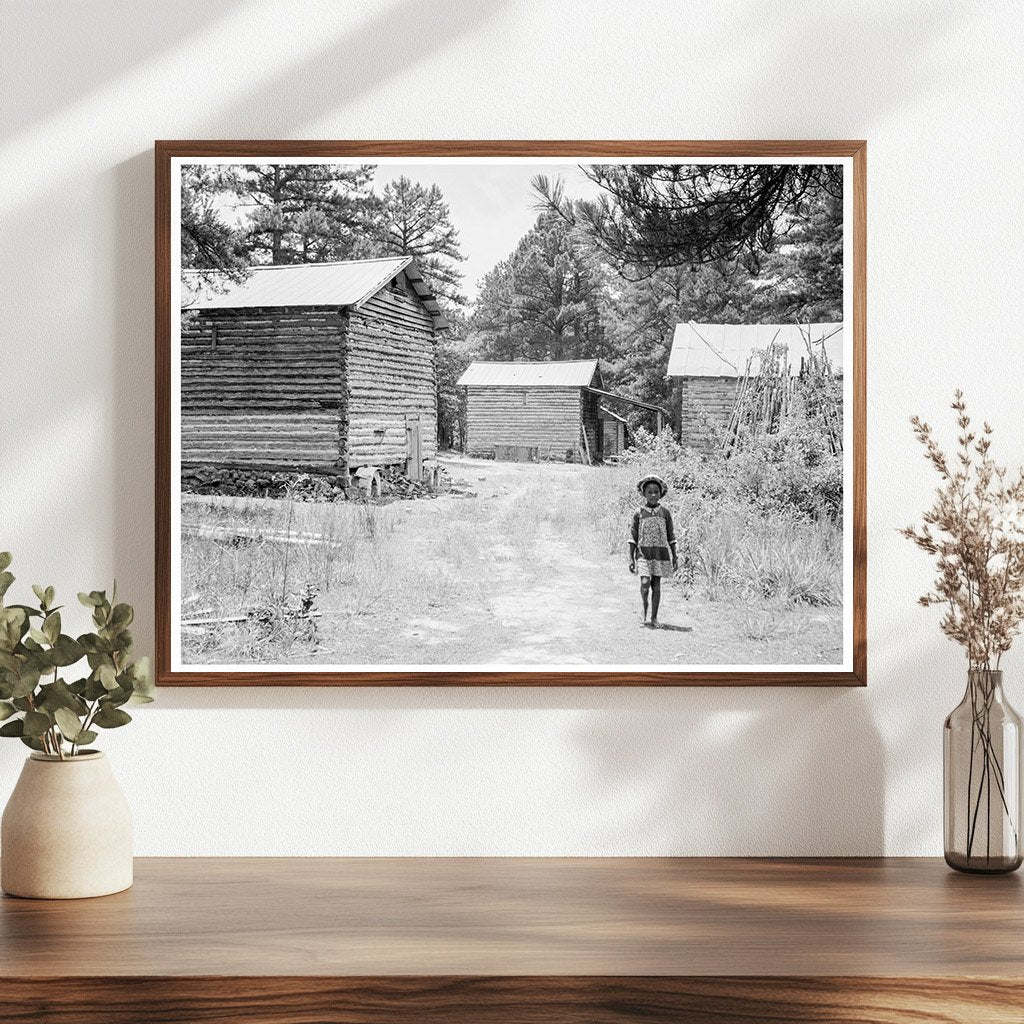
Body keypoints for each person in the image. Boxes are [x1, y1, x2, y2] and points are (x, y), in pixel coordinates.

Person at [628, 474, 678, 628]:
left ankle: (654, 617)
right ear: (643, 494)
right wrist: (631, 558)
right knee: (645, 583)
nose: (653, 495)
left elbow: (671, 535)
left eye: (656, 492)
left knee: (656, 585)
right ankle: (644, 610)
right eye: (649, 492)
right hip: (643, 554)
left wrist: (674, 556)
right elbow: (633, 536)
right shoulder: (639, 513)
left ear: (661, 493)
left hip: (660, 554)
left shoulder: (665, 513)